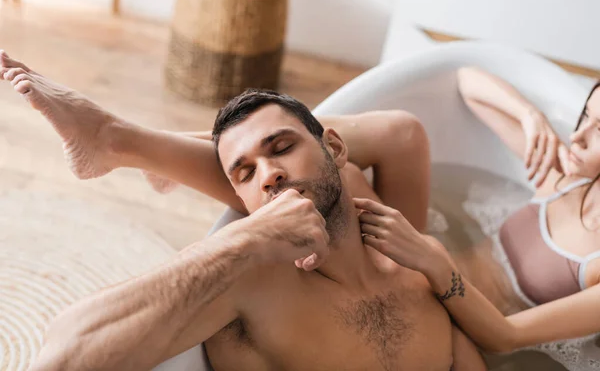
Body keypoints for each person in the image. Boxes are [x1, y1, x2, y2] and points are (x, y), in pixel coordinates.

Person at [0, 50, 486, 371]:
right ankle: (116, 140)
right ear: (241, 203)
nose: (269, 174)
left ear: (335, 148)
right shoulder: (251, 279)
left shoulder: (411, 256)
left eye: (280, 147)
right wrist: (246, 239)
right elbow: (61, 358)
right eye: (244, 174)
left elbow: (401, 134)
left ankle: (123, 142)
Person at [350, 67, 600, 355]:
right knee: (359, 164)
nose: (578, 136)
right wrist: (530, 116)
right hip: (422, 279)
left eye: (599, 130)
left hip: (452, 331)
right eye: (584, 116)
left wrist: (434, 260)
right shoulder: (562, 173)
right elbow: (468, 82)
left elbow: (506, 336)